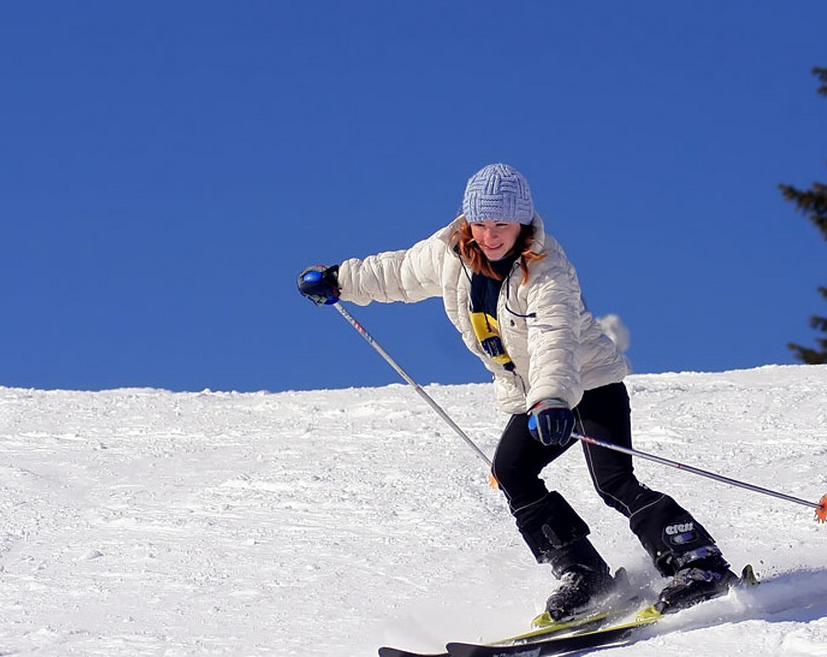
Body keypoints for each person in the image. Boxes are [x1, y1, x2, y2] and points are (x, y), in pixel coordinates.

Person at [297, 163, 738, 621]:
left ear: (523, 222)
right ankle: (583, 572)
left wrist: (551, 398)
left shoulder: (548, 271)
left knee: (613, 482)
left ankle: (699, 560)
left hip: (586, 382)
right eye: (481, 224)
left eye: (501, 225)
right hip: (534, 397)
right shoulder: (449, 253)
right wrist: (339, 280)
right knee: (511, 471)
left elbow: (555, 339)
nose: (490, 236)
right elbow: (399, 272)